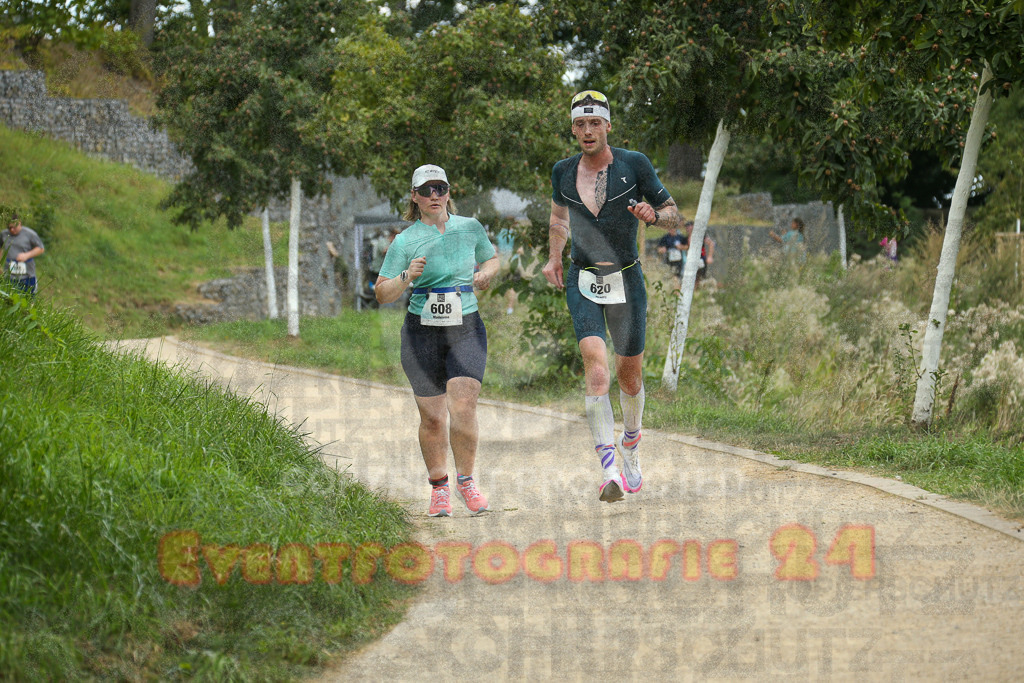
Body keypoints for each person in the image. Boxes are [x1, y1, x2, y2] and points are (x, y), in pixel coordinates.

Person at [542, 90, 680, 503]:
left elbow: (673, 213)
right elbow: (558, 217)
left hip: (626, 278)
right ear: (573, 129)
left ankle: (631, 446)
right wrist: (553, 257)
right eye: (580, 124)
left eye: (594, 123)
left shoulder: (634, 163)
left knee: (629, 375)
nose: (588, 131)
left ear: (607, 126)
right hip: (583, 278)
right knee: (597, 370)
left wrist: (654, 216)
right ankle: (608, 472)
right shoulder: (562, 171)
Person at [375, 164, 501, 517]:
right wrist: (406, 276)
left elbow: (491, 259)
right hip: (422, 332)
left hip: (466, 326)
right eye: (426, 190)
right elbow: (382, 293)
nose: (435, 195)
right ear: (414, 196)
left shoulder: (470, 227)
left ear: (449, 192)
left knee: (463, 406)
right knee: (433, 418)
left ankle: (467, 481)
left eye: (440, 188)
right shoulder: (404, 241)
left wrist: (485, 274)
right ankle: (439, 488)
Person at [1, 214, 45, 295]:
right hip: (9, 276)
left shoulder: (30, 234)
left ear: (19, 223)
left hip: (27, 276)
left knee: (28, 299)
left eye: (14, 227)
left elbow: (40, 248)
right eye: (10, 227)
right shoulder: (4, 234)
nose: (12, 230)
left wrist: (27, 255)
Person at [682, 219, 715, 286]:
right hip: (691, 260)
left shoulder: (701, 236)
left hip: (701, 259)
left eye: (690, 228)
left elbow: (711, 243)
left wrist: (710, 256)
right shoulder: (685, 238)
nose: (688, 229)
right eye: (687, 228)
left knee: (701, 277)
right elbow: (685, 247)